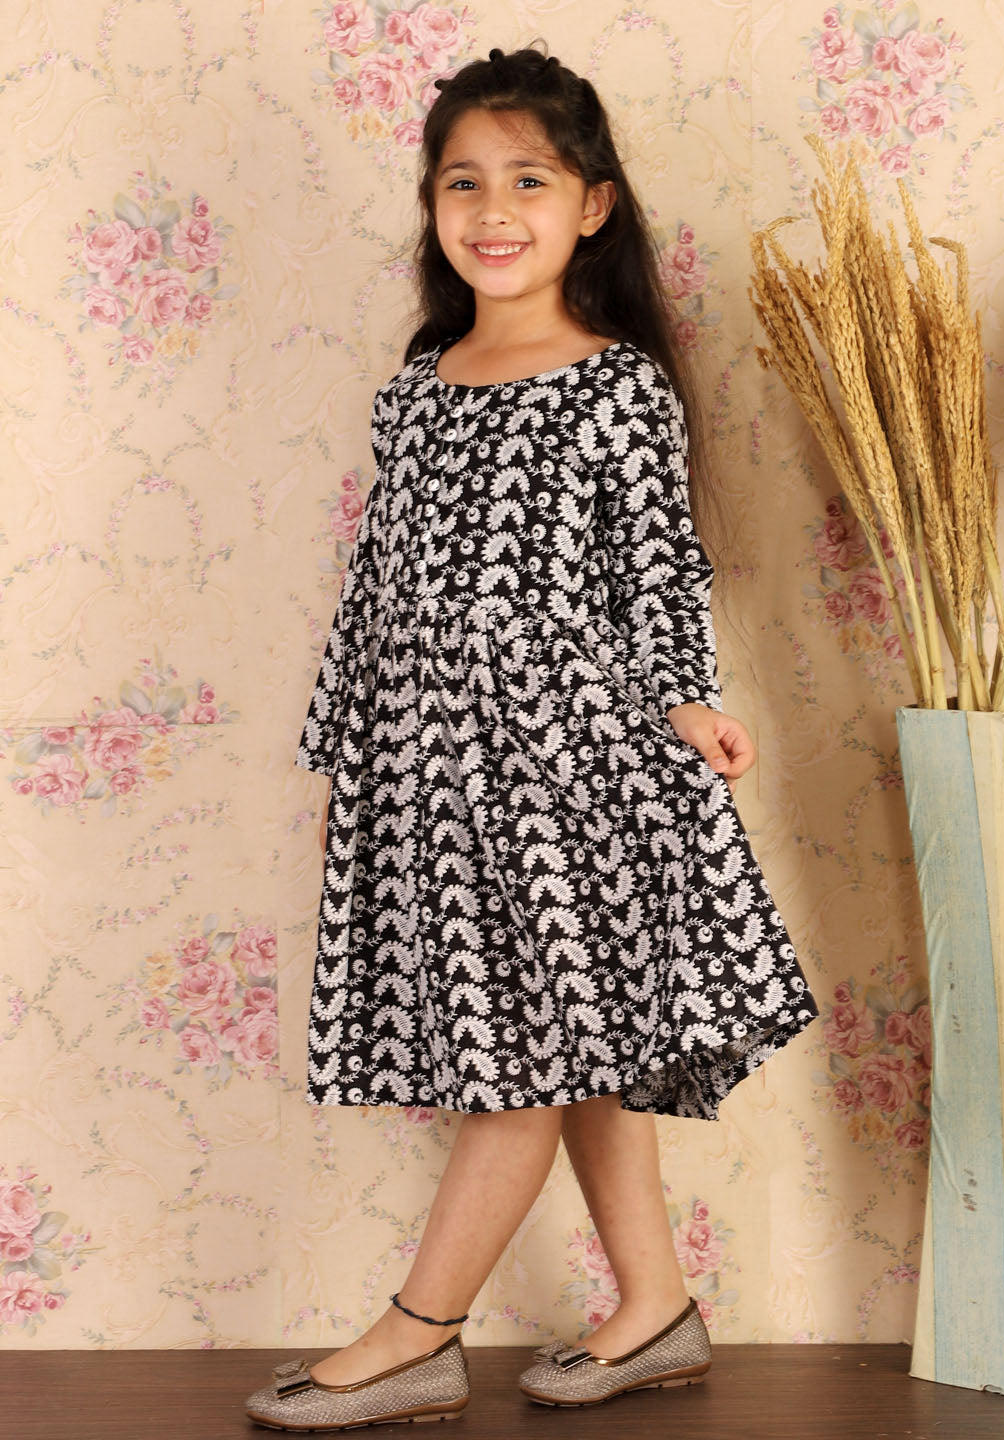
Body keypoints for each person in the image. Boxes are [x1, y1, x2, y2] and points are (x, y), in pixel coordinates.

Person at [245, 44, 819, 1432]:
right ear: (432, 202)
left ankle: (417, 1336)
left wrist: (687, 701)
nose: (493, 211)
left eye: (529, 181)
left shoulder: (615, 386)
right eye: (464, 183)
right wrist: (345, 757)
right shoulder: (418, 383)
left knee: (524, 1063)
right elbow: (376, 589)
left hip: (575, 768)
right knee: (578, 1044)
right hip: (433, 770)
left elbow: (659, 571)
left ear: (592, 205)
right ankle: (655, 1310)